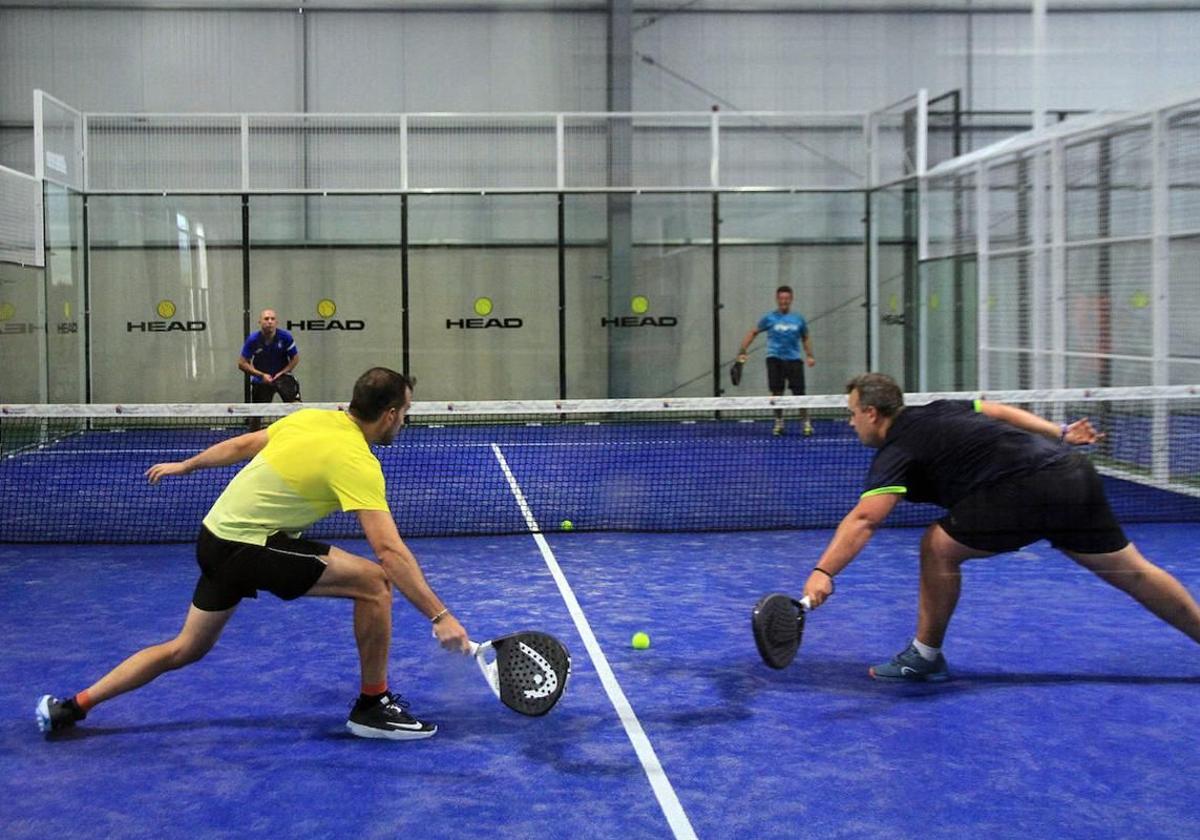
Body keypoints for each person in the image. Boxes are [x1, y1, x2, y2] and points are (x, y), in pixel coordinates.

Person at [37, 367, 470, 740]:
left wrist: (186, 465)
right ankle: (372, 707)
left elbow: (242, 445)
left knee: (185, 649)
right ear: (390, 414)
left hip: (213, 537)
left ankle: (73, 705)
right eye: (405, 414)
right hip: (245, 545)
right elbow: (389, 551)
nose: (404, 422)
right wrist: (439, 615)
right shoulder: (357, 460)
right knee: (375, 583)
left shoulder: (312, 420)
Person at [800, 372, 1200, 682]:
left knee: (937, 546)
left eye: (852, 413)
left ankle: (924, 657)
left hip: (1026, 489)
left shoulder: (897, 450)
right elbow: (998, 410)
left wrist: (824, 572)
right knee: (1133, 572)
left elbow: (866, 518)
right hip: (1071, 471)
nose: (850, 423)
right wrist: (1059, 433)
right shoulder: (940, 408)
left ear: (871, 412)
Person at [737, 285, 815, 436]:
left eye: (787, 298)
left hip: (794, 360)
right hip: (774, 359)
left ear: (791, 299)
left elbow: (805, 337)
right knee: (777, 392)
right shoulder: (769, 318)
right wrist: (742, 350)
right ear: (777, 299)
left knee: (800, 393)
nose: (784, 301)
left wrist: (810, 355)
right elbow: (753, 332)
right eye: (781, 298)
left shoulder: (798, 319)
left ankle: (806, 422)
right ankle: (779, 422)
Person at [239, 309, 300, 404]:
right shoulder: (253, 340)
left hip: (283, 377)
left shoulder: (286, 337)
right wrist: (261, 375)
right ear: (260, 322)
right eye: (266, 319)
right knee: (256, 415)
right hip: (261, 380)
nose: (270, 321)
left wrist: (282, 373)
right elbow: (242, 363)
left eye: (272, 319)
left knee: (296, 406)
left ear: (276, 322)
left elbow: (295, 359)